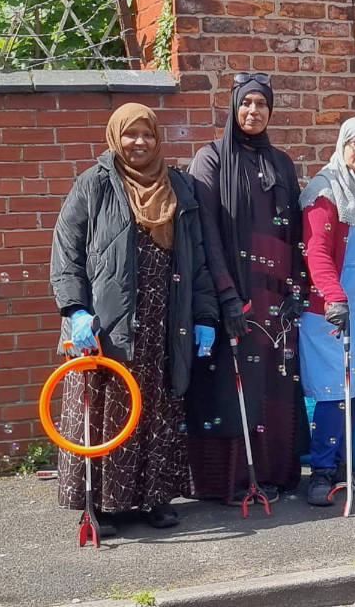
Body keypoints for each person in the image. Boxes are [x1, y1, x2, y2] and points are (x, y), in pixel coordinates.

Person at [50, 103, 219, 533]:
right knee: (106, 410)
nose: (139, 142)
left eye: (147, 134)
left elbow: (197, 261)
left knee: (159, 408)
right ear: (115, 138)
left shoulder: (179, 187)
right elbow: (66, 254)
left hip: (166, 320)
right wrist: (76, 310)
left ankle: (155, 497)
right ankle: (101, 504)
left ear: (157, 138)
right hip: (106, 326)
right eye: (130, 135)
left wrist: (203, 315)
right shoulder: (94, 185)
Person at [186, 73, 306, 504]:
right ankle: (231, 481)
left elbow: (294, 233)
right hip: (234, 296)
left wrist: (297, 290)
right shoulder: (212, 158)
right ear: (233, 108)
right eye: (246, 103)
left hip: (276, 299)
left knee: (273, 386)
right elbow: (207, 233)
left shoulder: (282, 163)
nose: (253, 111)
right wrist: (226, 296)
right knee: (233, 387)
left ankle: (274, 473)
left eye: (261, 104)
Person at [299, 117, 355, 506]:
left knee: (354, 393)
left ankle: (344, 467)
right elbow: (316, 252)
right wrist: (334, 297)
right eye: (353, 143)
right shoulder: (326, 190)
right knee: (332, 393)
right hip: (331, 311)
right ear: (341, 146)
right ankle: (320, 473)